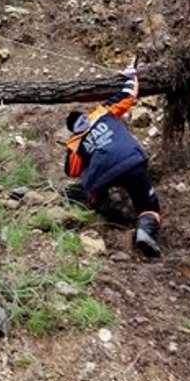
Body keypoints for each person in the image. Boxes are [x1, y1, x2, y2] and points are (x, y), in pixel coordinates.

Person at [63, 65, 162, 258]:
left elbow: (72, 172)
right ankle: (144, 230)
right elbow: (128, 96)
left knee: (91, 188)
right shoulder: (102, 112)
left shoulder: (74, 142)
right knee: (148, 207)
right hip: (132, 161)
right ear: (85, 115)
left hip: (104, 175)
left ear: (72, 129)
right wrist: (131, 76)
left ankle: (106, 215)